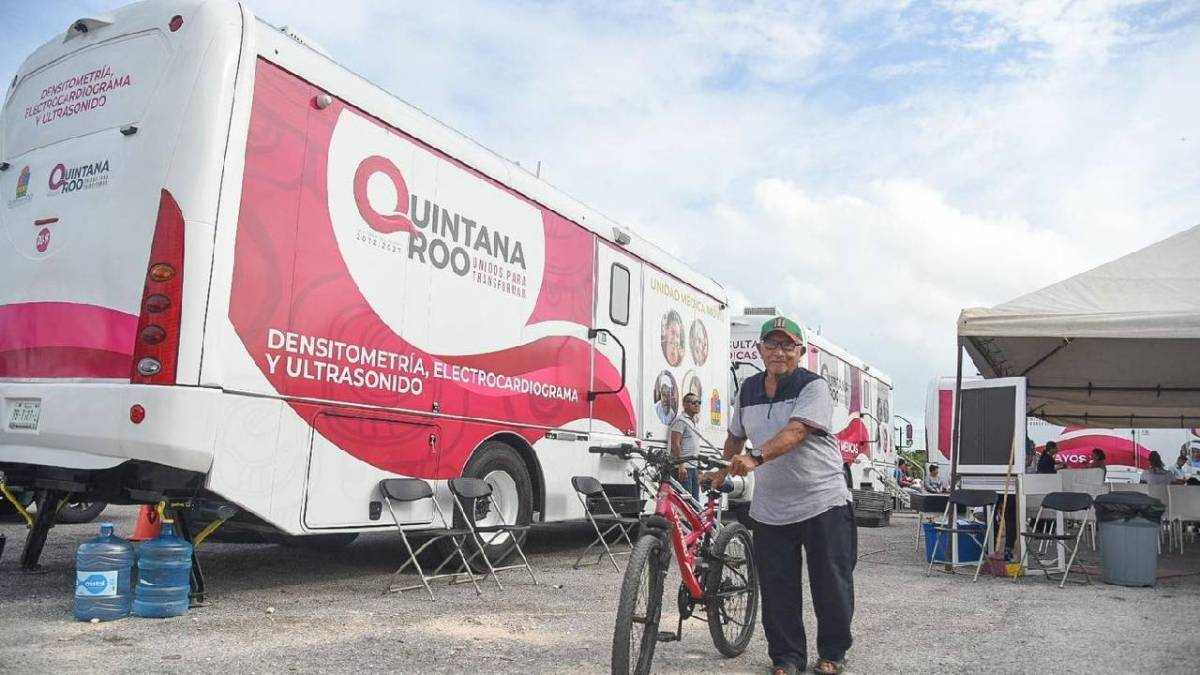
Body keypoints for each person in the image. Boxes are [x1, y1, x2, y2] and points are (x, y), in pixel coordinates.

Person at [715, 316, 855, 675]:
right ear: (760, 349)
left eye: (787, 345)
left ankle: (833, 652)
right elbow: (735, 437)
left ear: (800, 352)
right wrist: (719, 468)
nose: (779, 351)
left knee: (830, 583)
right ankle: (787, 657)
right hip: (772, 507)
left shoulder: (813, 387)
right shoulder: (747, 390)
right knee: (777, 589)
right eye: (772, 344)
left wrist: (755, 456)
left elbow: (795, 433)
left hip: (822, 501)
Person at [669, 393, 703, 500]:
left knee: (695, 502)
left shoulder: (694, 422)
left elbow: (695, 446)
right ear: (685, 405)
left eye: (699, 402)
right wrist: (681, 465)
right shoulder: (680, 421)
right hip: (684, 468)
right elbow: (675, 444)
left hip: (693, 468)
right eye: (694, 403)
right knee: (686, 503)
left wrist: (699, 467)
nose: (697, 405)